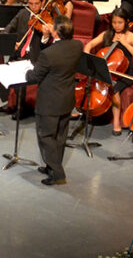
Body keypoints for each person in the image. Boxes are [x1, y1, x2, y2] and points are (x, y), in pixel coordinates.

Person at [25, 15, 81, 185]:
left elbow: (34, 77)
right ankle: (51, 166)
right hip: (66, 100)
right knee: (60, 136)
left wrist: (27, 72)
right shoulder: (78, 46)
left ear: (56, 32)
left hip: (49, 102)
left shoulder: (48, 54)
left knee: (46, 136)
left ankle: (57, 172)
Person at [83, 8, 133, 134]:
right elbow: (89, 45)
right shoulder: (107, 34)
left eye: (120, 22)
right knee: (88, 82)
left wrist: (125, 43)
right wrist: (88, 57)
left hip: (124, 73)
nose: (117, 26)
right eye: (114, 22)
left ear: (126, 22)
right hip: (107, 70)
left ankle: (116, 121)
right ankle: (86, 111)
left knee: (113, 88)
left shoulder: (131, 37)